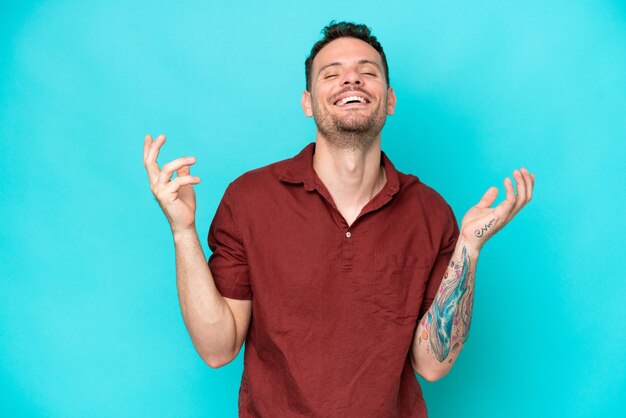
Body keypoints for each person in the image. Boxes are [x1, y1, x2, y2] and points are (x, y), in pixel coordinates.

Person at [143, 21, 534, 418]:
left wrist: (468, 246)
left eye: (368, 72)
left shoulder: (430, 213)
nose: (352, 80)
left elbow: (432, 366)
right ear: (308, 102)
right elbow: (217, 348)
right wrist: (182, 230)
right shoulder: (249, 200)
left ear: (390, 99)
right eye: (332, 74)